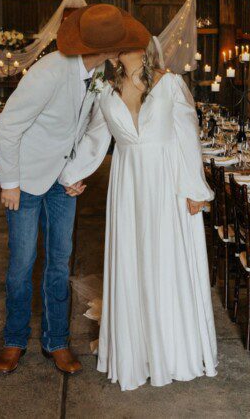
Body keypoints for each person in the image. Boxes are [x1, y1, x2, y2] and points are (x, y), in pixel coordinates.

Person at [0, 4, 151, 376]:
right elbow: (9, 125)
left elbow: (94, 128)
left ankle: (56, 342)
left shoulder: (97, 75)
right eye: (117, 46)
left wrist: (77, 172)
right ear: (104, 49)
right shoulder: (47, 73)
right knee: (21, 265)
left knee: (60, 263)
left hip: (63, 182)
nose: (120, 52)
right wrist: (9, 182)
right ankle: (14, 340)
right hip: (27, 181)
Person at [60, 37, 217, 391]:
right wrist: (71, 176)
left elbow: (187, 136)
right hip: (128, 185)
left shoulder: (170, 83)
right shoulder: (106, 90)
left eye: (123, 42)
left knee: (163, 262)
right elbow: (95, 139)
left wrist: (195, 189)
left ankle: (171, 350)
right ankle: (136, 348)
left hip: (166, 183)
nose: (116, 48)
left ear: (142, 48)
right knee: (132, 261)